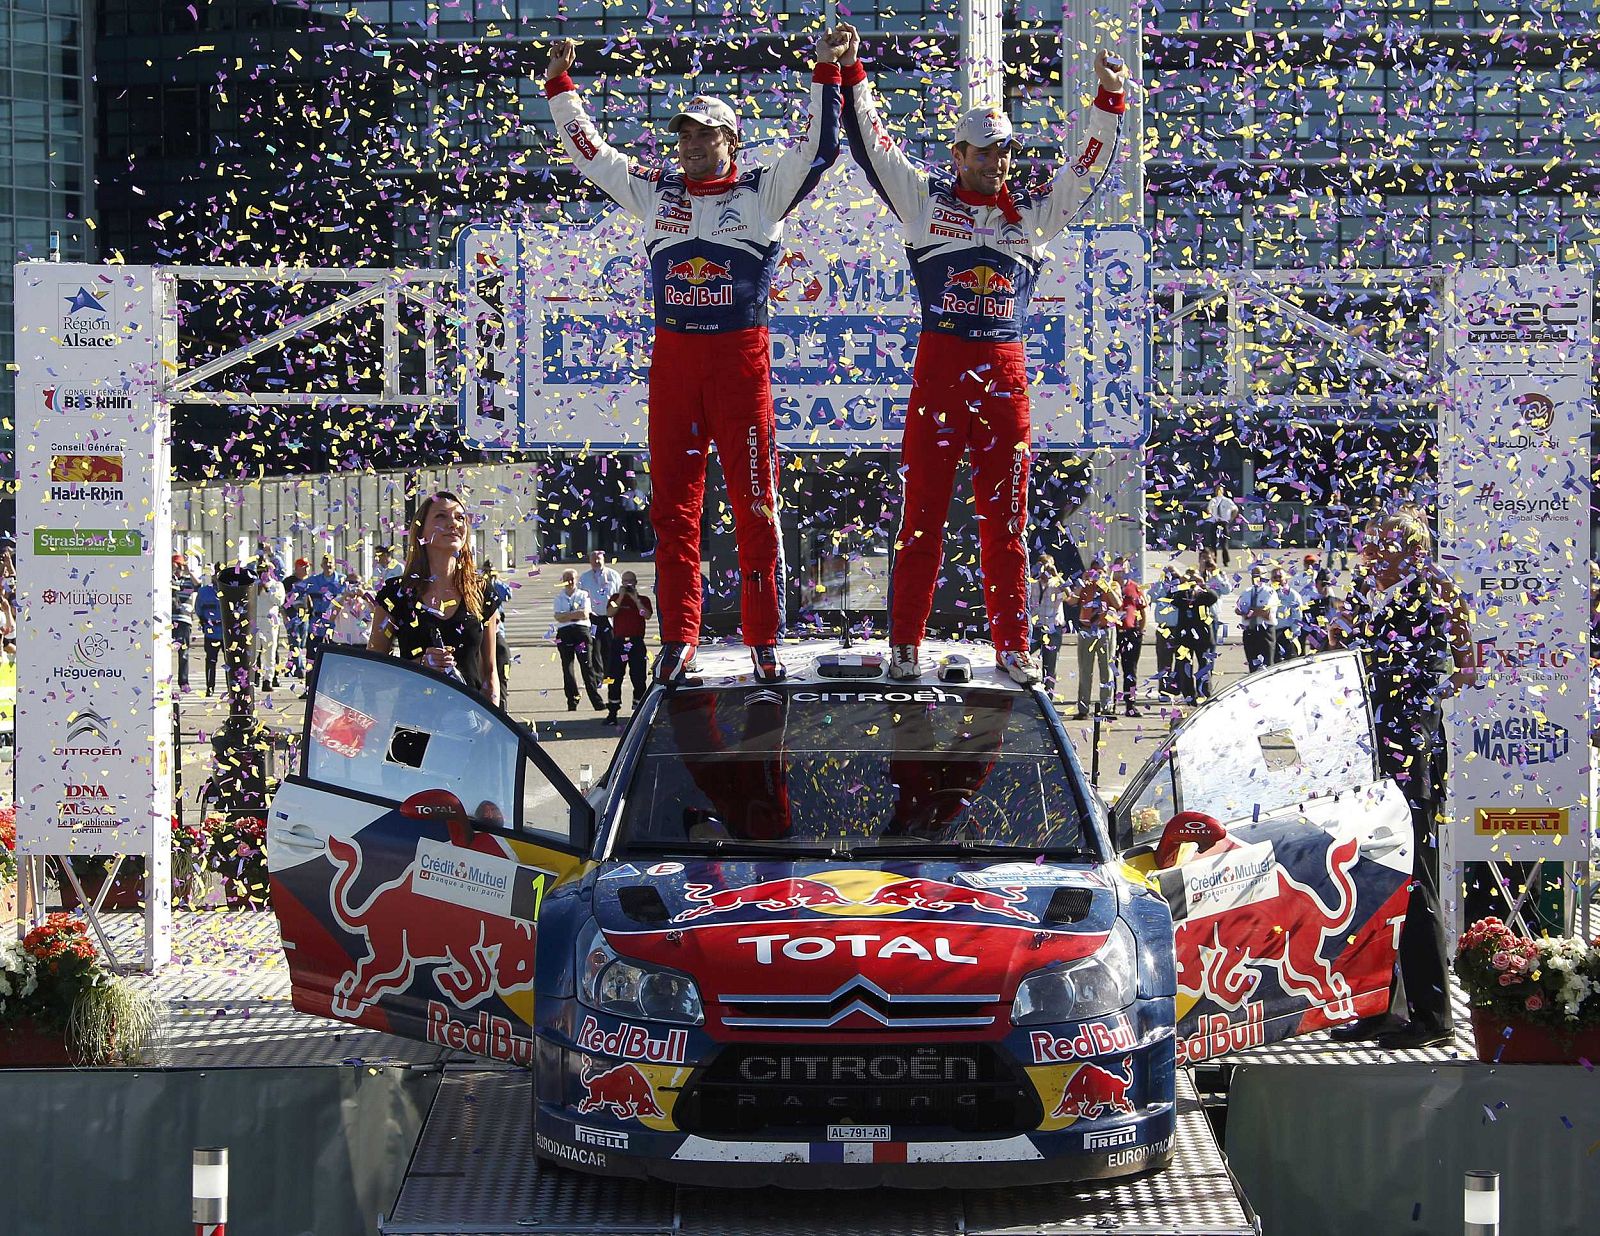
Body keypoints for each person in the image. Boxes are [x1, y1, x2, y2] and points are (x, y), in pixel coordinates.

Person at [544, 31, 846, 684]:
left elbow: (820, 149)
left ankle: (763, 637)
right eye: (685, 135)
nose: (692, 146)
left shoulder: (764, 193)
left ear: (731, 142)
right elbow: (591, 155)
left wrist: (826, 68)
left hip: (742, 369)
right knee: (673, 513)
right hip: (676, 365)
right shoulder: (655, 192)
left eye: (706, 136)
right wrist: (561, 88)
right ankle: (679, 638)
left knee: (756, 508)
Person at [836, 27, 1127, 685]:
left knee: (1008, 526)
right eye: (987, 152)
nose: (999, 162)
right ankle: (904, 647)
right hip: (938, 383)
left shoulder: (1030, 216)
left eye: (1006, 152)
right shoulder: (923, 203)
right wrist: (854, 74)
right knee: (922, 522)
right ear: (958, 152)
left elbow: (1083, 174)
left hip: (1005, 383)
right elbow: (875, 147)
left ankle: (1012, 648)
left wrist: (1108, 103)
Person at [1330, 505, 1474, 1050]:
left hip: (1409, 755)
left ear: (1408, 549)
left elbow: (1465, 666)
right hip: (1368, 755)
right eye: (1368, 542)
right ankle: (1379, 1004)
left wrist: (1419, 705)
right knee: (1374, 878)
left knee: (1413, 881)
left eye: (1380, 543)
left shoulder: (1432, 593)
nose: (1367, 552)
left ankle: (1434, 1015)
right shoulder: (1370, 596)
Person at [369, 492, 501, 705]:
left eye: (460, 518)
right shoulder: (396, 593)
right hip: (414, 724)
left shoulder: (481, 590)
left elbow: (490, 672)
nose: (453, 524)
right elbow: (373, 671)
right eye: (441, 516)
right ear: (421, 530)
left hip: (468, 725)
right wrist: (419, 665)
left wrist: (493, 726)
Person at [1066, 559, 1119, 720]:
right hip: (1087, 630)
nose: (1097, 573)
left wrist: (1105, 585)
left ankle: (1106, 707)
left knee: (1106, 670)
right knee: (1085, 670)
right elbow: (1071, 601)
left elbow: (1118, 603)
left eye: (1100, 570)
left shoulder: (1112, 585)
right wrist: (1082, 582)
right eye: (1094, 570)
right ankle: (1083, 708)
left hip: (1105, 629)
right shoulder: (1085, 585)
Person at [605, 571, 654, 725]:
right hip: (619, 643)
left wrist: (635, 599)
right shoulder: (614, 598)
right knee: (613, 677)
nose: (628, 584)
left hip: (636, 643)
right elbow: (610, 612)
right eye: (625, 581)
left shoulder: (644, 600)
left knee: (639, 677)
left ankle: (638, 711)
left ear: (635, 582)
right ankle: (612, 711)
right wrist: (621, 597)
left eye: (630, 581)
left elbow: (646, 615)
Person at [552, 569, 604, 712]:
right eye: (566, 579)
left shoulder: (583, 595)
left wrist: (567, 615)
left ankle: (596, 701)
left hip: (581, 632)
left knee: (587, 666)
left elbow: (584, 614)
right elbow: (557, 617)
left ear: (577, 580)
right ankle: (572, 700)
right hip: (564, 633)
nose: (569, 582)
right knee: (567, 668)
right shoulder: (559, 598)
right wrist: (573, 615)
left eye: (572, 579)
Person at [1169, 566, 1219, 705]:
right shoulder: (1182, 594)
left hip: (1202, 637)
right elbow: (1172, 599)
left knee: (1204, 666)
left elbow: (1213, 597)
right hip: (1185, 637)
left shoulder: (1203, 595)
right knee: (1185, 667)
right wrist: (1182, 585)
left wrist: (1202, 584)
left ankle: (1205, 693)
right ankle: (1189, 695)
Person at [579, 549, 622, 685]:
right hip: (593, 618)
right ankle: (598, 677)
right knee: (594, 649)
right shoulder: (584, 577)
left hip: (609, 617)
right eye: (594, 559)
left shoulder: (613, 575)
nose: (597, 562)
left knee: (609, 648)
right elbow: (581, 596)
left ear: (603, 560)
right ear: (590, 561)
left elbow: (619, 594)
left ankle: (608, 677)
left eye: (599, 559)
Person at [1113, 557, 1148, 717]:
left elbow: (1142, 610)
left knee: (1130, 671)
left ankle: (1130, 705)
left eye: (1124, 568)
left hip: (1131, 633)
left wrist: (1140, 630)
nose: (1121, 571)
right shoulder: (1108, 587)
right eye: (1118, 568)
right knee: (1110, 671)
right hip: (1112, 633)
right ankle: (1110, 705)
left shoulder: (1135, 587)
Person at [1028, 554, 1067, 695]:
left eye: (1047, 565)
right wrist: (1033, 572)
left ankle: (1048, 698)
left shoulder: (1057, 583)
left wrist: (1056, 575)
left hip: (1052, 629)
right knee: (1023, 657)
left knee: (1050, 666)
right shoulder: (1032, 582)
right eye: (1042, 565)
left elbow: (1069, 596)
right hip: (1035, 628)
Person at [1235, 563, 1278, 672]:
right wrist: (1245, 611)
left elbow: (1266, 611)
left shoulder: (1270, 592)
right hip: (1250, 631)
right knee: (1252, 665)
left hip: (1265, 632)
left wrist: (1250, 612)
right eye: (1253, 575)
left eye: (1258, 575)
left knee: (1267, 666)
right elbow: (1238, 609)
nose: (1255, 578)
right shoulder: (1247, 592)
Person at [250, 562, 286, 690]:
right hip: (255, 620)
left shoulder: (277, 585)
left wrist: (267, 589)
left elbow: (279, 601)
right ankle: (253, 678)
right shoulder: (253, 585)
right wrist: (257, 589)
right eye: (260, 570)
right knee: (254, 652)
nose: (262, 573)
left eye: (265, 570)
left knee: (269, 653)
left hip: (269, 621)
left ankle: (268, 680)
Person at [485, 566, 513, 706]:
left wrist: (497, 581)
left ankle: (503, 705)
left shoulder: (496, 586)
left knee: (502, 672)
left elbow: (508, 594)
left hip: (497, 633)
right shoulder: (480, 586)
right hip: (485, 633)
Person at [172, 553, 200, 692]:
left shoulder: (188, 580)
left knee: (183, 652)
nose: (178, 568)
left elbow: (198, 586)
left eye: (180, 565)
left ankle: (184, 682)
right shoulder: (169, 579)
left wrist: (188, 570)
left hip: (184, 619)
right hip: (169, 619)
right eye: (176, 565)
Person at [196, 566, 225, 696]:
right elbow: (198, 609)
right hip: (211, 631)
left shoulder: (231, 591)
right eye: (216, 575)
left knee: (230, 662)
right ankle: (210, 687)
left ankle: (232, 687)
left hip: (226, 632)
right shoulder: (204, 592)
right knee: (211, 660)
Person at [283, 557, 312, 679]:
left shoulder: (311, 581)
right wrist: (284, 616)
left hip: (305, 615)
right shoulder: (288, 582)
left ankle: (291, 666)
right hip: (292, 615)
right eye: (304, 567)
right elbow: (282, 600)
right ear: (297, 568)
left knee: (302, 643)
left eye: (308, 567)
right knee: (295, 641)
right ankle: (299, 669)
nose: (307, 570)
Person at [1270, 564, 1303, 663]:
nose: (1277, 579)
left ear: (1285, 579)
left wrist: (1293, 634)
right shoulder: (1267, 593)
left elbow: (1297, 615)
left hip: (1286, 633)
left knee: (1290, 662)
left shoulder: (1292, 595)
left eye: (1280, 577)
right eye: (1274, 577)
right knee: (1273, 662)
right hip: (1271, 632)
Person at [329, 572, 371, 645]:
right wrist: (343, 598)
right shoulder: (338, 600)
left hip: (363, 643)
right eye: (350, 582)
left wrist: (364, 596)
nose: (353, 585)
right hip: (343, 643)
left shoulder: (367, 600)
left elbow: (377, 613)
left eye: (356, 583)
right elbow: (331, 617)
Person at [1203, 483, 1239, 566]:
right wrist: (1212, 514)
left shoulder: (1227, 501)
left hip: (1223, 522)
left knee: (1224, 543)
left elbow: (1235, 509)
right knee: (1213, 543)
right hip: (1215, 522)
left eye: (1220, 490)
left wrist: (1230, 518)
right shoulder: (1213, 500)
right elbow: (1209, 510)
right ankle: (1213, 560)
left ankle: (1225, 561)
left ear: (1223, 491)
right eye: (1217, 490)